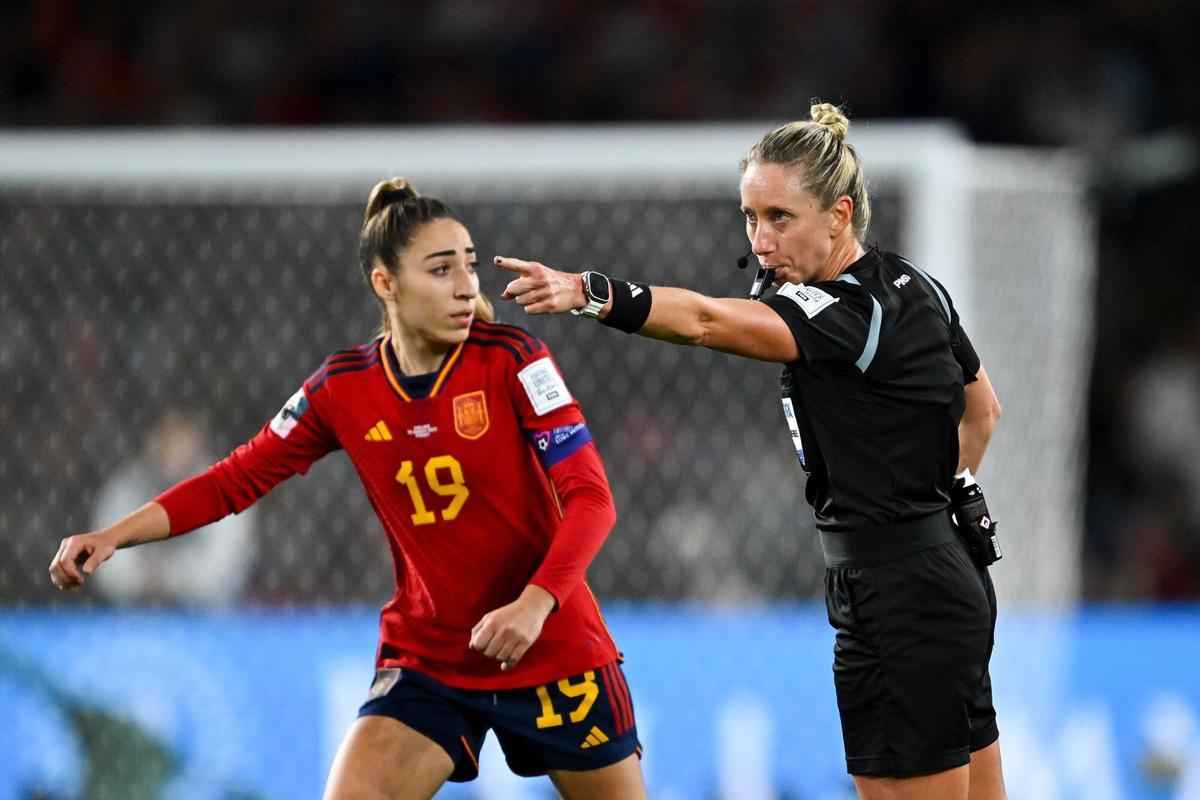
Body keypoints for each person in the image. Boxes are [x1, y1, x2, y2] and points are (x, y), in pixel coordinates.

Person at [50, 179, 647, 800]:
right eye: (441, 270)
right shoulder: (341, 388)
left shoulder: (514, 359)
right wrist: (115, 533)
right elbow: (235, 479)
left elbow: (591, 499)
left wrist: (535, 602)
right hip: (433, 659)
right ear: (385, 283)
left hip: (552, 648)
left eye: (469, 266)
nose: (467, 285)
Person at [494, 103, 1007, 800]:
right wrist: (926, 505)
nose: (760, 240)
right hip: (945, 573)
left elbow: (706, 321)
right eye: (750, 217)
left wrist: (591, 293)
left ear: (839, 214)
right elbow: (983, 411)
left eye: (780, 218)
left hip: (897, 592)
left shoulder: (844, 315)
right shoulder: (917, 285)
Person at [89, 407, 257, 605]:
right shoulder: (126, 488)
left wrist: (169, 576)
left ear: (197, 437)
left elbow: (227, 567)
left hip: (209, 616)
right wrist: (145, 580)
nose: (171, 444)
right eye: (164, 433)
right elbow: (105, 566)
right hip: (133, 615)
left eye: (179, 433)